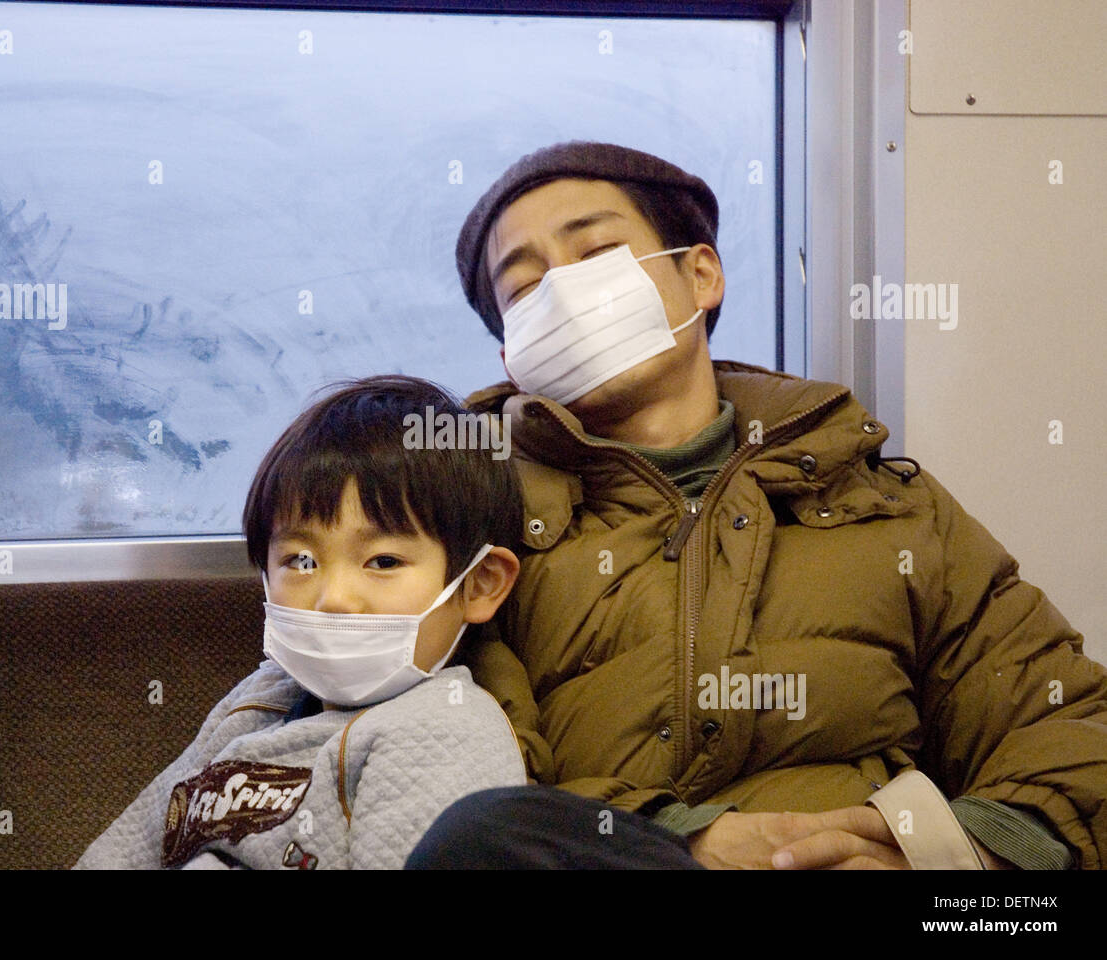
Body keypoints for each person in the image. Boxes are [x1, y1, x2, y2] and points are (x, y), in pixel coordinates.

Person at [407, 140, 1107, 870]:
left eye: (597, 254)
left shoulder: (887, 504)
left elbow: (1067, 725)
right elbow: (429, 762)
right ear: (511, 354)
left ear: (701, 273)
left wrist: (950, 856)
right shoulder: (464, 523)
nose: (562, 293)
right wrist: (683, 839)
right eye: (522, 290)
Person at [75, 375, 528, 869]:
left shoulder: (446, 730)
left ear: (480, 583)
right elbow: (137, 842)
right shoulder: (259, 700)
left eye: (383, 562)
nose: (333, 599)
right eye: (301, 561)